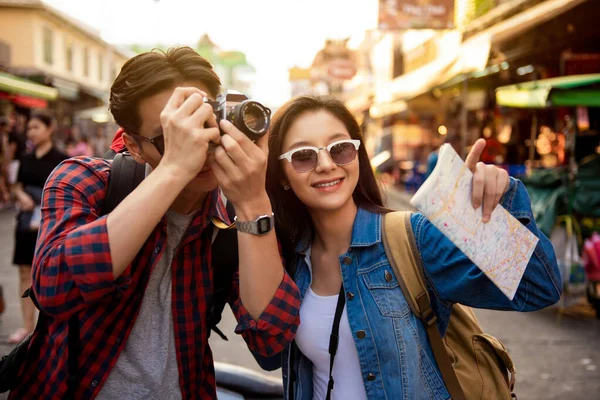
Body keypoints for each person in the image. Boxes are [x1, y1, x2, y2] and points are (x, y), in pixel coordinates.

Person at [9, 47, 300, 399]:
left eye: (205, 124)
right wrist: (175, 169)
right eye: (173, 136)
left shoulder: (230, 225)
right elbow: (53, 288)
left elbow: (270, 345)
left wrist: (254, 202)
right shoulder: (85, 182)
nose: (199, 145)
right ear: (132, 145)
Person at [264, 95, 562, 400]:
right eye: (304, 156)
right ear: (283, 175)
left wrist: (499, 202)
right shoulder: (290, 259)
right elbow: (268, 353)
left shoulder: (413, 239)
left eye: (340, 149)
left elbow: (537, 287)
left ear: (358, 156)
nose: (326, 165)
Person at [9, 110, 69, 344]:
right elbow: (16, 185)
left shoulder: (61, 159)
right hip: (26, 223)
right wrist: (20, 194)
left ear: (49, 128)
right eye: (29, 128)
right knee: (25, 272)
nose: (31, 132)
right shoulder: (25, 158)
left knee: (50, 274)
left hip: (50, 224)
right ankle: (26, 327)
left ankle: (48, 329)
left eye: (36, 127)